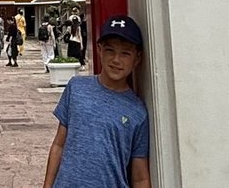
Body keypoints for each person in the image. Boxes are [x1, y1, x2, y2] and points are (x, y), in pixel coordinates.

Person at [43, 15, 151, 188]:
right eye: (110, 50)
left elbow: (140, 177)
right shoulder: (76, 88)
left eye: (125, 53)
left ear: (137, 58)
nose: (116, 60)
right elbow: (58, 145)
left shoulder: (138, 112)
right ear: (99, 50)